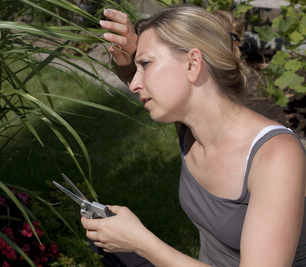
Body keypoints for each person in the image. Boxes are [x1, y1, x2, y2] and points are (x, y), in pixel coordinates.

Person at [81, 5, 306, 267]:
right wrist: (128, 53)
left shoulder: (276, 156)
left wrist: (141, 243)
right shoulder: (191, 130)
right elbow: (142, 79)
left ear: (193, 63)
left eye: (145, 64)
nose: (133, 84)